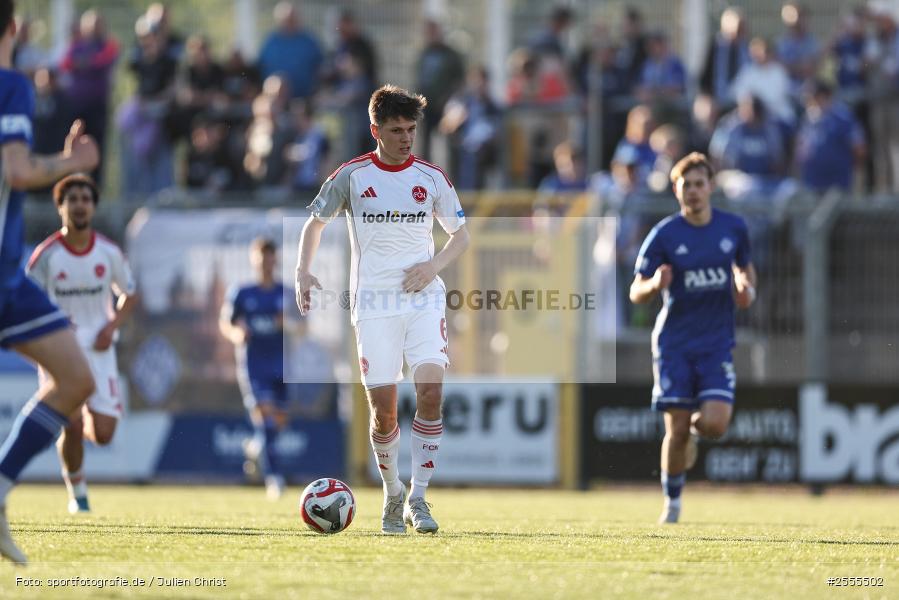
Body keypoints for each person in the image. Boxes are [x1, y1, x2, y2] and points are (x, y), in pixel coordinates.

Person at [296, 85, 470, 534]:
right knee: (384, 413)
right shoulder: (352, 176)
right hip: (373, 306)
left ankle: (419, 498)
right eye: (396, 130)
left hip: (424, 299)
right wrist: (302, 271)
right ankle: (393, 493)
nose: (406, 138)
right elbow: (314, 223)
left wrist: (432, 267)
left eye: (411, 129)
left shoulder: (432, 178)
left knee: (430, 394)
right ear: (376, 130)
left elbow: (461, 236)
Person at [0, 0, 100, 564]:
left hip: (10, 278)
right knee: (75, 381)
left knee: (76, 378)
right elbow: (17, 170)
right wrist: (71, 160)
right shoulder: (10, 85)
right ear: (13, 27)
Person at [629, 152, 756, 524]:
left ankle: (694, 435)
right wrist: (654, 284)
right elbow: (635, 290)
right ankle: (672, 504)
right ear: (676, 190)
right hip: (675, 345)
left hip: (716, 343)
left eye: (700, 184)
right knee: (677, 429)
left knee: (714, 424)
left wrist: (747, 289)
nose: (694, 192)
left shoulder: (733, 228)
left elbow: (745, 270)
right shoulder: (664, 234)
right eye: (687, 186)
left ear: (711, 187)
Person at [26, 174, 137, 514]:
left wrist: (111, 327)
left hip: (100, 351)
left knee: (103, 434)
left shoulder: (108, 252)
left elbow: (129, 294)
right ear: (60, 207)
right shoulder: (46, 256)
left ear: (93, 207)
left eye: (85, 199)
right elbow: (27, 302)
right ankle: (79, 494)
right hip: (61, 352)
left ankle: (83, 417)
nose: (79, 205)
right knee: (71, 425)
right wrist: (43, 343)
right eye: (71, 199)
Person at [220, 238, 301, 500]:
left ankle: (257, 446)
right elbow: (226, 323)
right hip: (254, 367)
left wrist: (287, 324)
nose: (266, 263)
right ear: (253, 260)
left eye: (270, 257)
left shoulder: (286, 294)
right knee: (266, 420)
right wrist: (237, 334)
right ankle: (274, 478)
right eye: (261, 257)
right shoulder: (242, 293)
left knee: (277, 424)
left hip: (282, 367)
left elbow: (303, 327)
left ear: (275, 260)